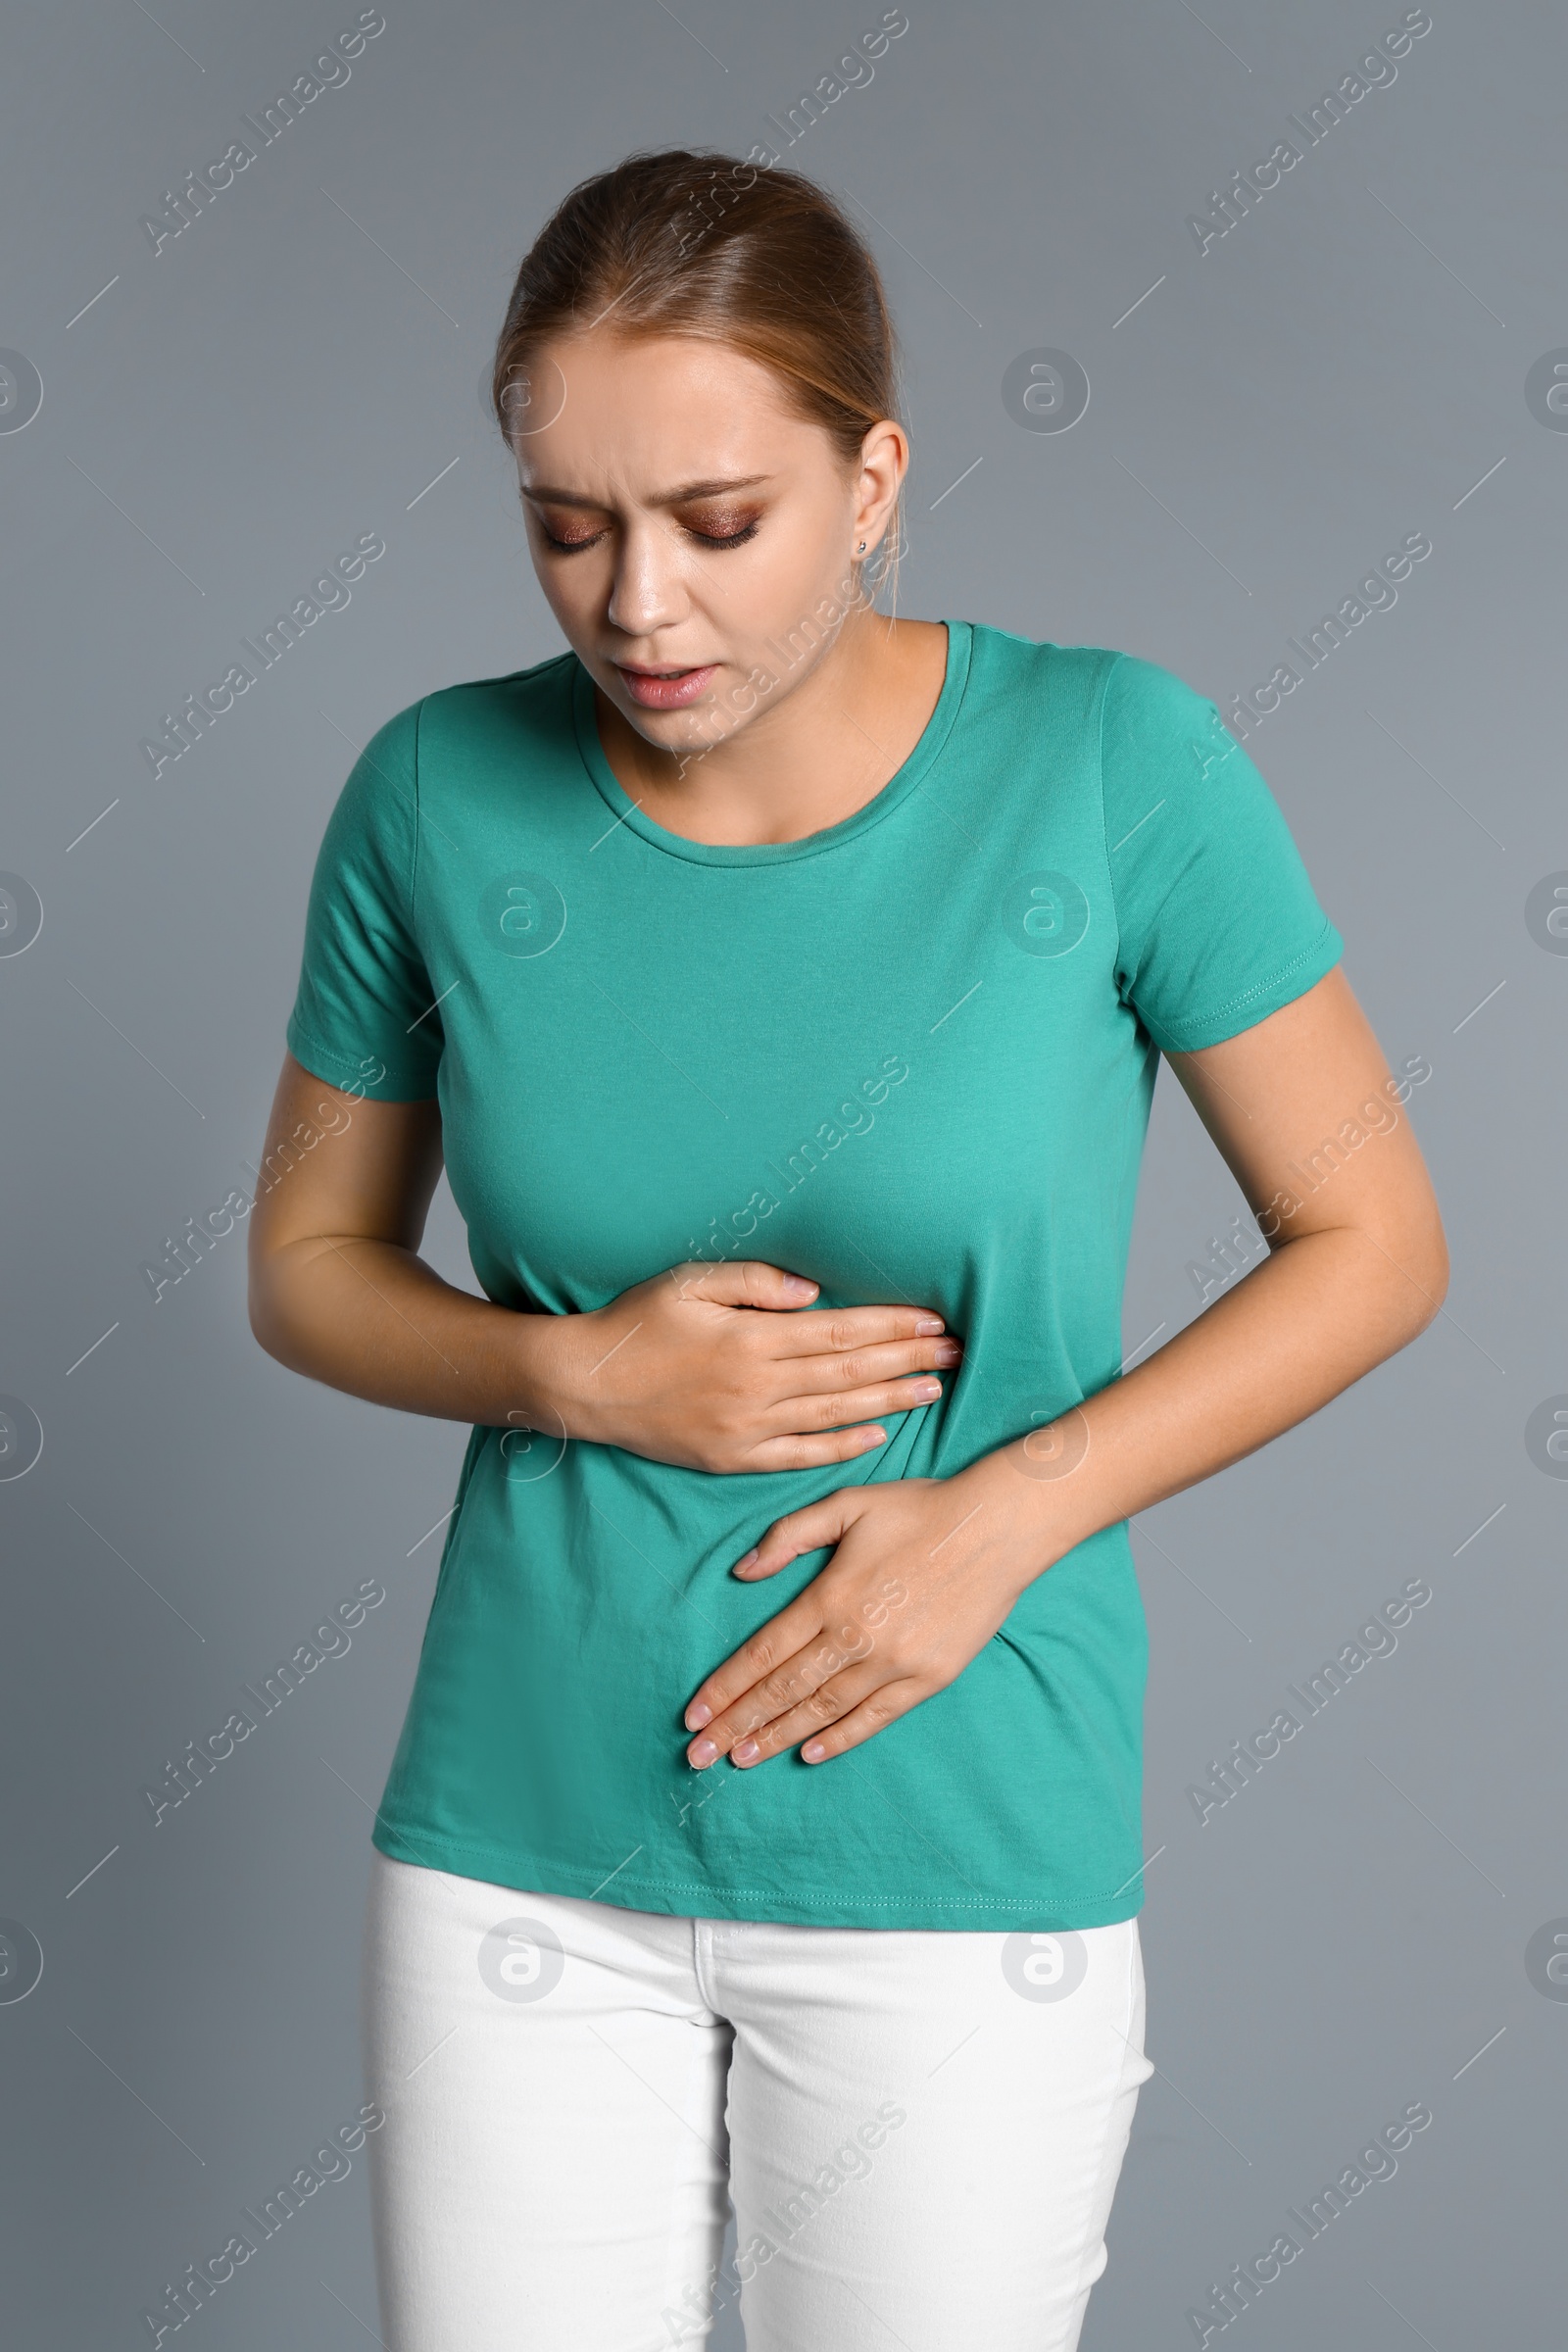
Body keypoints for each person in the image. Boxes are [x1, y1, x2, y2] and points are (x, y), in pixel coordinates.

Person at [247, 148, 1448, 2352]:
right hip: (523, 1848)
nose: (633, 607)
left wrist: (1003, 1521)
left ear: (872, 474)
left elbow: (1370, 1237)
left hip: (955, 1841)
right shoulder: (433, 795)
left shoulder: (1111, 764)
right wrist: (566, 1373)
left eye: (715, 523)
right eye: (565, 526)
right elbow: (306, 1264)